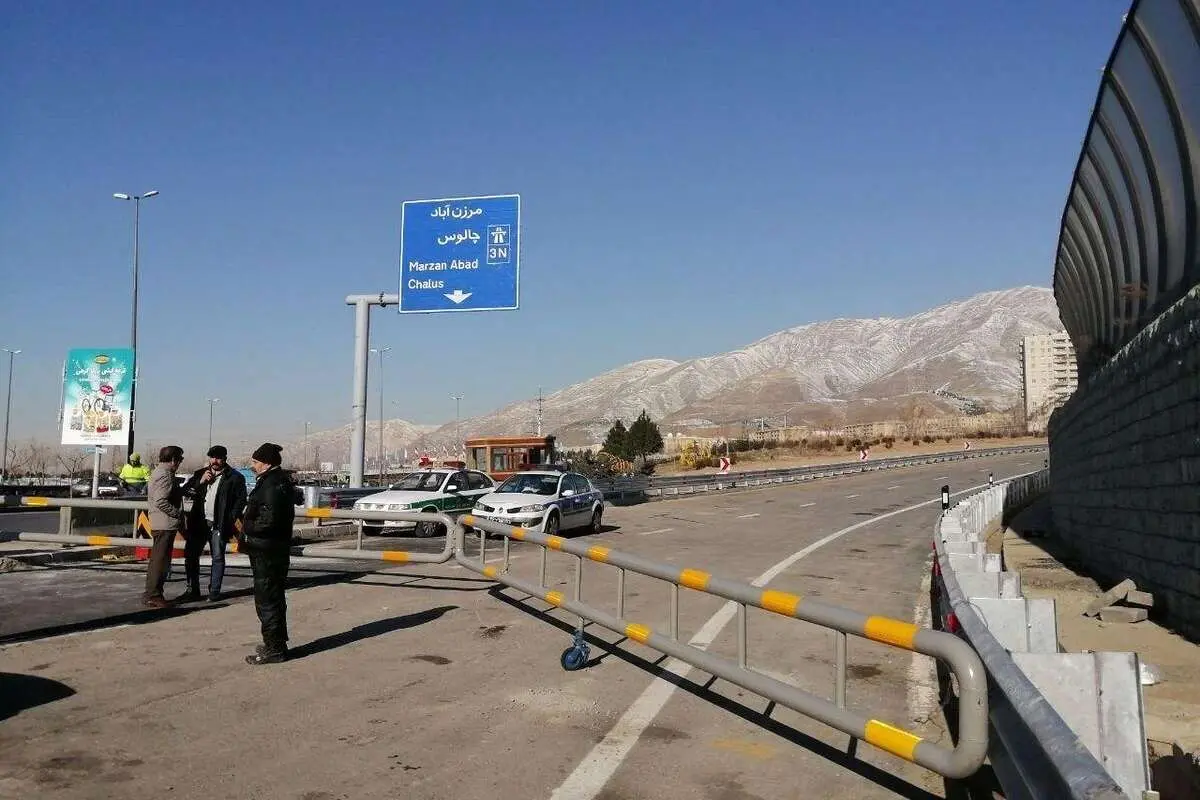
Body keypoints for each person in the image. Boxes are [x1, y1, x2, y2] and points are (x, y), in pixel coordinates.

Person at [240, 442, 297, 664]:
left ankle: (275, 648)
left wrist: (247, 527)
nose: (253, 466)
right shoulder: (273, 481)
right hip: (268, 548)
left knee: (268, 599)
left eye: (256, 462)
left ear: (267, 463)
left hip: (267, 549)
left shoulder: (272, 484)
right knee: (271, 598)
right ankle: (274, 643)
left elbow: (269, 520)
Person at [177, 445, 247, 603]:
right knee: (191, 556)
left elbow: (241, 500)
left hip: (218, 524)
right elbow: (186, 491)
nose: (215, 461)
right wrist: (200, 482)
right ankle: (192, 589)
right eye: (212, 457)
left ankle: (214, 591)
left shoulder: (234, 477)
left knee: (217, 557)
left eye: (218, 458)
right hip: (199, 523)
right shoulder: (200, 474)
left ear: (225, 459)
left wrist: (230, 518)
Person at [143, 445, 186, 608]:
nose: (180, 463)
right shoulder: (165, 475)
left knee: (158, 559)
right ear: (173, 459)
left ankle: (152, 593)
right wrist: (176, 513)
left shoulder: (158, 472)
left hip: (159, 523)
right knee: (160, 561)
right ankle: (154, 594)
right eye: (180, 459)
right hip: (165, 524)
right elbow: (161, 500)